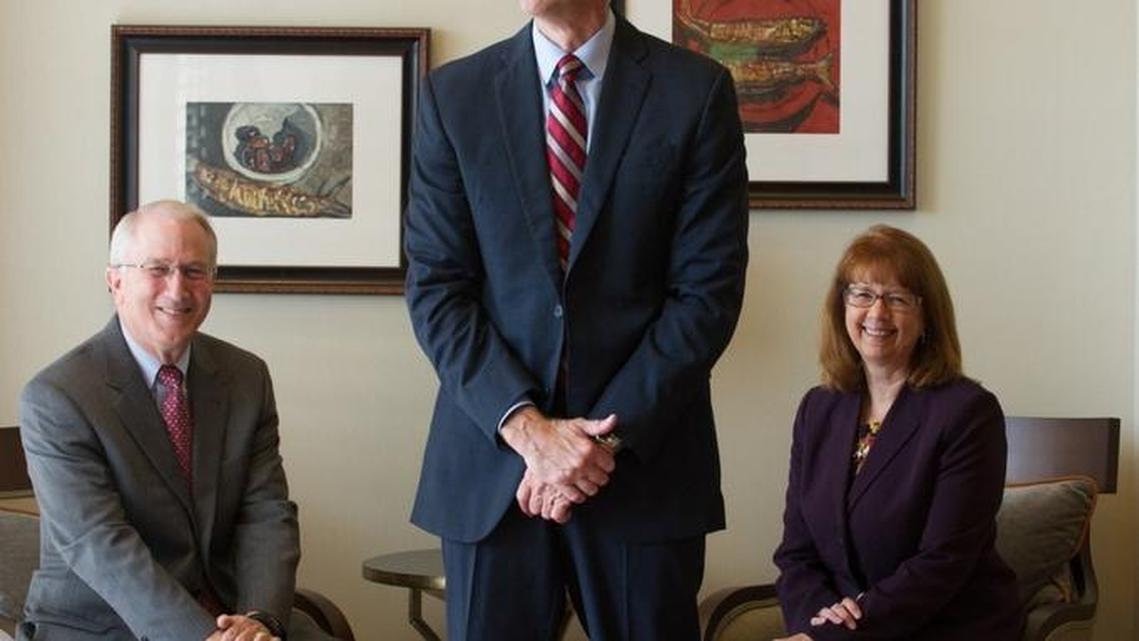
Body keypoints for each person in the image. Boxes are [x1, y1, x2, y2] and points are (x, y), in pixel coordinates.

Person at [403, 0, 749, 638]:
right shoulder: (455, 95)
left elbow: (707, 295)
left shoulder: (694, 92)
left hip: (642, 470)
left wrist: (598, 445)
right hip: (494, 471)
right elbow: (437, 288)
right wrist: (531, 433)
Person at [18, 201, 334, 641]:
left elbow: (265, 512)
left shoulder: (246, 377)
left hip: (233, 616)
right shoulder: (58, 396)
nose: (177, 290)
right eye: (158, 269)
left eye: (194, 271)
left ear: (213, 282)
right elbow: (100, 543)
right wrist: (202, 637)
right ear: (116, 281)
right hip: (107, 624)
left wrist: (260, 619)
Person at [772, 225, 1022, 640]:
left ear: (927, 317)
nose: (877, 313)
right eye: (862, 294)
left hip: (945, 627)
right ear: (842, 307)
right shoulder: (818, 409)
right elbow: (797, 554)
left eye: (898, 298)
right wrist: (815, 625)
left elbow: (942, 562)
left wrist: (831, 637)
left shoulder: (968, 413)